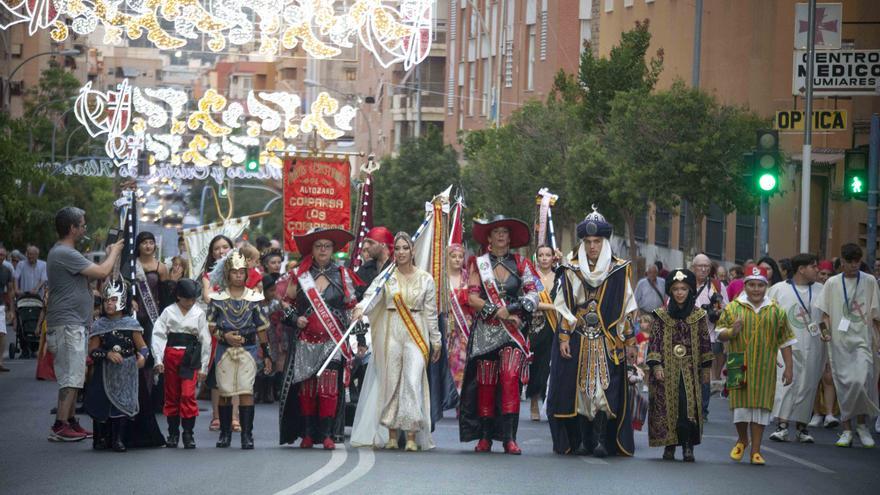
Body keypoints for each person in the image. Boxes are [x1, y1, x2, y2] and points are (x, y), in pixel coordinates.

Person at [547, 207, 637, 458]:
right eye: (587, 242)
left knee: (604, 393)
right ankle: (583, 438)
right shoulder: (571, 268)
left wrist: (630, 341)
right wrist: (564, 337)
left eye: (597, 241)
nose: (592, 247)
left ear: (605, 242)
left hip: (607, 341)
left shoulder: (619, 269)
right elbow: (564, 306)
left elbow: (626, 308)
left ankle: (601, 438)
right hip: (578, 339)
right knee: (580, 394)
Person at [351, 232, 442, 451]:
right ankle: (391, 433)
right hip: (392, 330)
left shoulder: (425, 278)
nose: (401, 252)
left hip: (416, 330)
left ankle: (411, 435)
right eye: (397, 248)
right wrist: (360, 308)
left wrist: (435, 340)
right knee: (391, 380)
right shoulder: (386, 277)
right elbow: (371, 297)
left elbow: (431, 312)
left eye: (405, 248)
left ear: (413, 251)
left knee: (411, 380)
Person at [460, 215, 539, 455]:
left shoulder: (522, 263)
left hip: (513, 333)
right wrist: (499, 311)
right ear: (489, 237)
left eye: (505, 231)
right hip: (486, 331)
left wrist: (514, 309)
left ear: (510, 237)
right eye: (497, 232)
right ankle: (485, 436)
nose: (501, 235)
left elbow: (534, 294)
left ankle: (509, 438)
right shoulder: (478, 263)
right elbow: (472, 297)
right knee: (485, 382)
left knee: (509, 378)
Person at [279, 228, 362, 450]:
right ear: (312, 250)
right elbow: (285, 303)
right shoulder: (300, 274)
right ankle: (307, 433)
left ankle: (326, 434)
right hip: (306, 340)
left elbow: (353, 307)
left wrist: (360, 335)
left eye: (327, 246)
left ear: (333, 249)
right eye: (318, 246)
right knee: (307, 388)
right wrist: (295, 319)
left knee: (328, 388)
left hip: (332, 341)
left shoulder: (343, 274)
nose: (323, 250)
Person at [46, 207, 124, 442]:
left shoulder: (64, 253)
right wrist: (115, 250)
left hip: (74, 323)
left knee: (76, 374)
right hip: (68, 324)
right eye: (82, 224)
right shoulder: (64, 252)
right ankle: (60, 424)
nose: (85, 228)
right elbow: (101, 271)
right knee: (71, 376)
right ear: (72, 229)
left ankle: (69, 420)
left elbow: (89, 277)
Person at [716, 264, 794, 465]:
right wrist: (732, 331)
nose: (756, 289)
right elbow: (719, 333)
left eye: (760, 285)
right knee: (740, 409)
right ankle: (742, 439)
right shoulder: (733, 307)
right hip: (737, 363)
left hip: (765, 365)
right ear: (745, 285)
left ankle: (756, 451)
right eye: (752, 285)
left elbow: (786, 340)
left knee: (761, 409)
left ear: (766, 286)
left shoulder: (776, 310)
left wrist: (789, 367)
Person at [84, 278, 165, 451]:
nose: (109, 304)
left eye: (113, 299)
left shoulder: (131, 324)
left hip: (128, 371)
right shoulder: (99, 325)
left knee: (124, 404)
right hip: (105, 371)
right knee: (104, 405)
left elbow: (143, 347)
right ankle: (103, 438)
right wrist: (107, 354)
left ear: (121, 300)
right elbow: (92, 351)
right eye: (106, 300)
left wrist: (143, 358)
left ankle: (119, 440)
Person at [814, 243, 880, 448]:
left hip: (863, 340)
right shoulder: (832, 283)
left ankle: (862, 425)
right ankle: (847, 429)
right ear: (841, 262)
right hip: (839, 342)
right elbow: (824, 313)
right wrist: (825, 334)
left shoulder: (869, 281)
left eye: (857, 262)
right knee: (844, 384)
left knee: (861, 382)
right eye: (849, 262)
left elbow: (876, 313)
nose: (853, 266)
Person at [207, 249, 272, 449]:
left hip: (248, 348)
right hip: (225, 349)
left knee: (246, 390)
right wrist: (223, 335)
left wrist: (267, 354)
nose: (238, 275)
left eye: (241, 272)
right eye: (234, 272)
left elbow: (261, 327)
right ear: (227, 273)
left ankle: (247, 435)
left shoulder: (254, 297)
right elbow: (210, 325)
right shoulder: (217, 297)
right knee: (225, 391)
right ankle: (225, 434)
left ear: (246, 273)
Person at [647, 269, 712, 462]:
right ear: (670, 291)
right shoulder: (661, 315)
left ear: (690, 290)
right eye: (675, 289)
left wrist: (706, 368)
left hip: (690, 370)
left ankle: (687, 445)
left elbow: (705, 341)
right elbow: (655, 341)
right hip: (666, 370)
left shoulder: (699, 315)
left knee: (687, 408)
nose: (680, 292)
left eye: (683, 288)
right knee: (667, 407)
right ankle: (669, 445)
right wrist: (656, 365)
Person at [768, 254, 827, 444]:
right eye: (813, 266)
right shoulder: (778, 289)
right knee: (785, 383)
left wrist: (825, 333)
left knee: (809, 385)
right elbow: (769, 318)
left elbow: (824, 316)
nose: (817, 270)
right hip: (786, 345)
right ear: (801, 269)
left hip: (814, 344)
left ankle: (802, 427)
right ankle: (782, 426)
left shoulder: (821, 290)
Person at [151, 278, 212, 449]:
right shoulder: (168, 312)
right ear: (178, 296)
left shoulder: (199, 313)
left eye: (193, 299)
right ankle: (173, 433)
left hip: (190, 356)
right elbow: (159, 335)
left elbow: (205, 340)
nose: (190, 302)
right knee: (172, 395)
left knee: (187, 394)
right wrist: (158, 358)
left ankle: (188, 433)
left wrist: (204, 366)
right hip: (171, 355)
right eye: (186, 299)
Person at [199, 234, 232, 432]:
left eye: (225, 247)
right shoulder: (208, 276)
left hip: (239, 326)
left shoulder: (240, 272)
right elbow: (207, 296)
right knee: (216, 375)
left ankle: (236, 418)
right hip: (216, 328)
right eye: (217, 248)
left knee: (237, 374)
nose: (221, 251)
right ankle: (216, 416)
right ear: (212, 253)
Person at [692, 253, 728, 418]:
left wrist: (716, 310)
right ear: (693, 268)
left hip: (709, 337)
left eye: (707, 266)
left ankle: (703, 409)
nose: (704, 269)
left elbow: (724, 310)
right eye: (700, 266)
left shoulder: (717, 287)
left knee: (704, 374)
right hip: (686, 337)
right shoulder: (683, 283)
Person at [528, 245, 559, 421]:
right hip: (536, 326)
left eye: (548, 255)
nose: (544, 258)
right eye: (541, 255)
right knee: (536, 365)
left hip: (554, 326)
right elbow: (531, 301)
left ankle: (549, 402)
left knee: (551, 366)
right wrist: (553, 307)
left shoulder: (559, 276)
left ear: (553, 257)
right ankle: (533, 402)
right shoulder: (532, 279)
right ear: (537, 258)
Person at [445, 243, 471, 393]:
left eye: (460, 257)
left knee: (462, 361)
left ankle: (461, 397)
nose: (457, 260)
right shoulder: (442, 278)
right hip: (447, 325)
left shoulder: (468, 277)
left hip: (465, 326)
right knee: (449, 361)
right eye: (453, 256)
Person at [0, 253, 13, 372]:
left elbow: (9, 290)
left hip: (0, 305)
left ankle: (0, 362)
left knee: (2, 333)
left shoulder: (6, 271)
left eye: (3, 255)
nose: (1, 257)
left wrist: (11, 309)